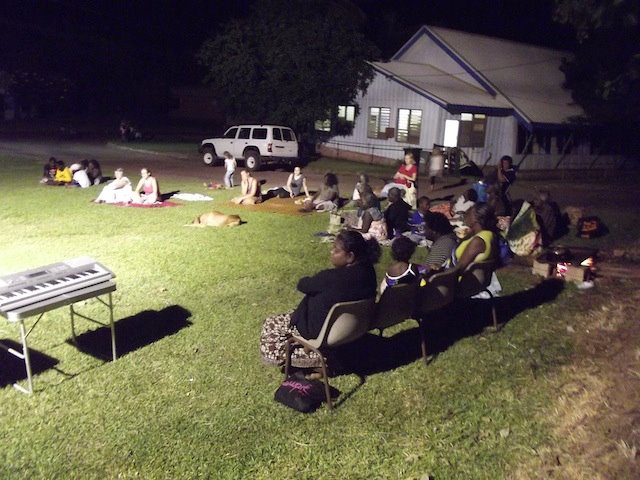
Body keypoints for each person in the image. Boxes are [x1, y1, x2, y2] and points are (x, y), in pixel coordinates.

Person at [259, 230, 380, 368]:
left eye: (336, 249)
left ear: (350, 256)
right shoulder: (369, 272)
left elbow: (303, 285)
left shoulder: (331, 278)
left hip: (318, 331)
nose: (331, 252)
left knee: (271, 325)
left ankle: (319, 358)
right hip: (352, 328)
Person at [449, 203, 497, 271]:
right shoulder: (489, 234)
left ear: (475, 218)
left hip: (459, 279)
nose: (465, 217)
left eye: (467, 214)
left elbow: (457, 269)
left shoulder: (477, 241)